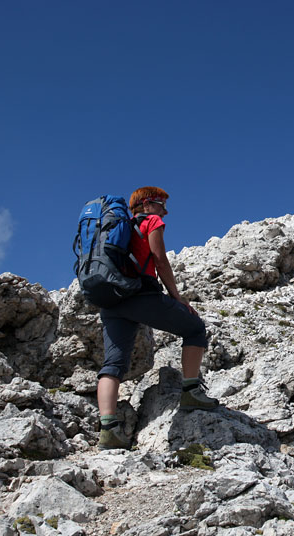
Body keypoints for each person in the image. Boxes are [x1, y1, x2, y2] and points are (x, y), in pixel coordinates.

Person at [97, 186, 218, 449]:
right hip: (140, 295)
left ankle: (108, 430)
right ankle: (191, 392)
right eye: (162, 204)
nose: (165, 210)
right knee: (195, 328)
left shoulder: (116, 230)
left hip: (110, 301)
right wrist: (177, 296)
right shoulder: (151, 221)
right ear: (148, 204)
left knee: (113, 365)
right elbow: (160, 260)